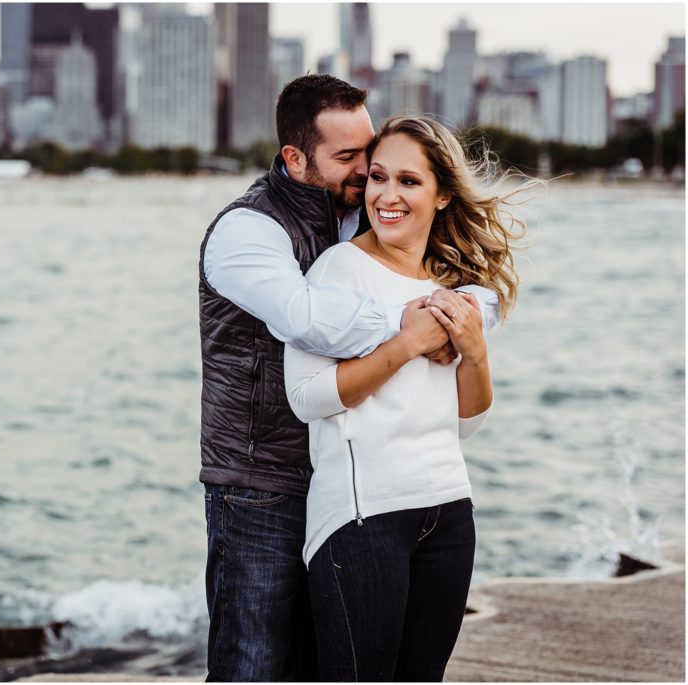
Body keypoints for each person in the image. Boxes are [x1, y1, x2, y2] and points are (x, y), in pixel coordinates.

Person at [198, 76, 499, 681]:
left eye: (372, 154)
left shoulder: (349, 218)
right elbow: (308, 320)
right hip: (258, 480)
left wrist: (465, 320)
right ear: (294, 157)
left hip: (333, 475)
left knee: (316, 666)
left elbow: (449, 285)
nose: (367, 173)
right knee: (252, 664)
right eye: (349, 158)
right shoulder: (247, 232)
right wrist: (423, 327)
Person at [284, 114, 536, 681]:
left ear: (443, 194)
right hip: (361, 519)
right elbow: (306, 397)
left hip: (448, 513)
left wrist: (475, 352)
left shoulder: (453, 286)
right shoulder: (339, 269)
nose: (387, 196)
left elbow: (467, 423)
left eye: (409, 181)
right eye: (377, 177)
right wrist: (404, 345)